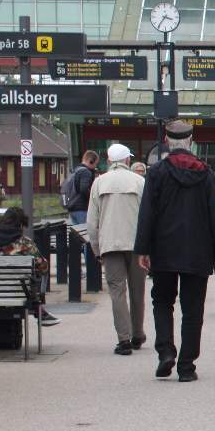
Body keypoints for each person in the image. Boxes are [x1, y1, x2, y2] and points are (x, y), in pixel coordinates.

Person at [134, 121, 215, 382]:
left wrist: (143, 249)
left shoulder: (156, 173)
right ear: (191, 140)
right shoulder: (206, 173)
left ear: (166, 139)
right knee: (193, 309)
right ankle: (186, 366)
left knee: (162, 302)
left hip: (164, 249)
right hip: (198, 251)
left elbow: (147, 214)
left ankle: (166, 351)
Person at [86, 143, 147, 354]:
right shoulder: (140, 182)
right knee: (137, 290)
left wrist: (96, 249)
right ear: (128, 161)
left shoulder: (99, 183)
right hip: (136, 245)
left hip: (110, 244)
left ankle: (124, 340)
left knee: (117, 291)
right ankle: (138, 334)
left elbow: (91, 221)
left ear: (110, 161)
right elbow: (149, 218)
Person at [0, 207, 59, 327]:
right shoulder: (25, 243)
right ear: (21, 225)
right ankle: (39, 310)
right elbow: (43, 267)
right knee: (31, 279)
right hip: (17, 294)